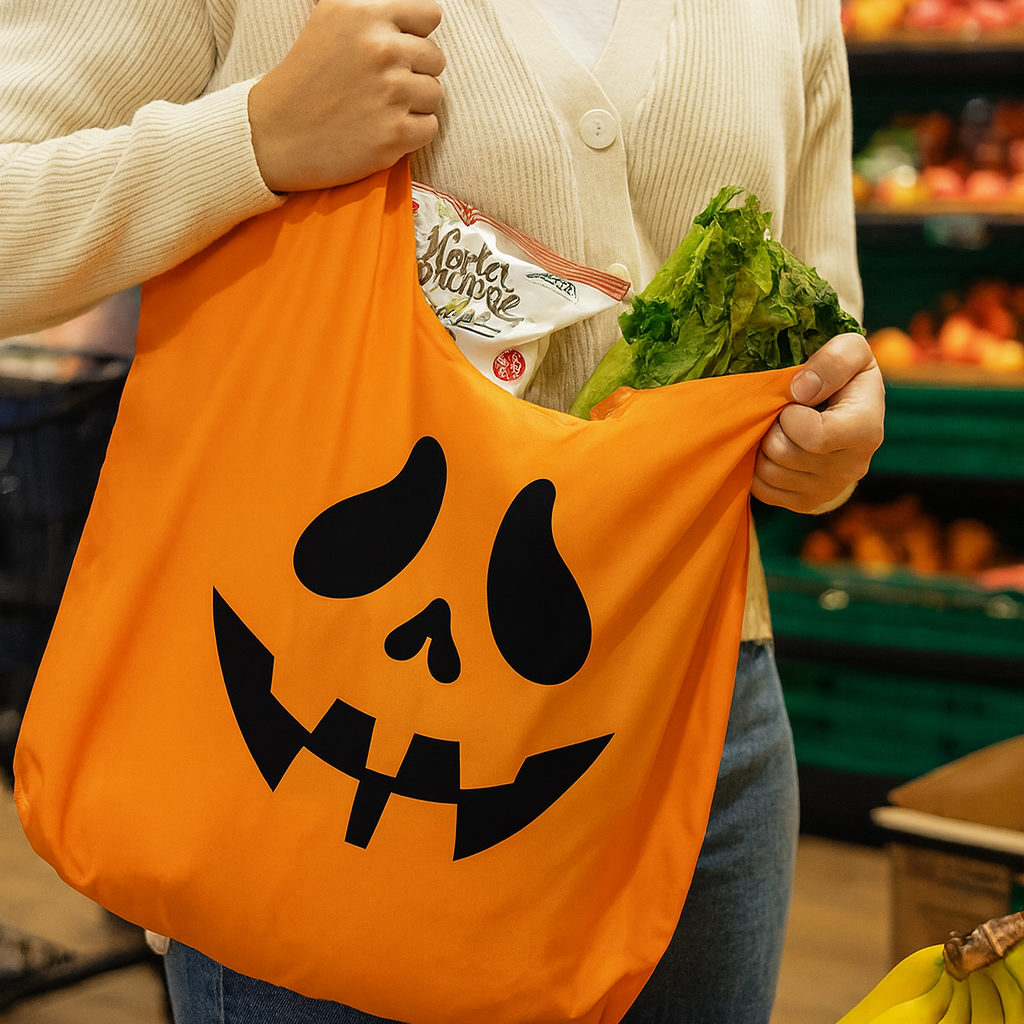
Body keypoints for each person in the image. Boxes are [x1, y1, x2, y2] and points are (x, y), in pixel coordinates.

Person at [0, 1, 885, 1022]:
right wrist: (253, 142)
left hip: (693, 724)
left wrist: (826, 438)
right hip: (321, 723)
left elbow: (820, 322)